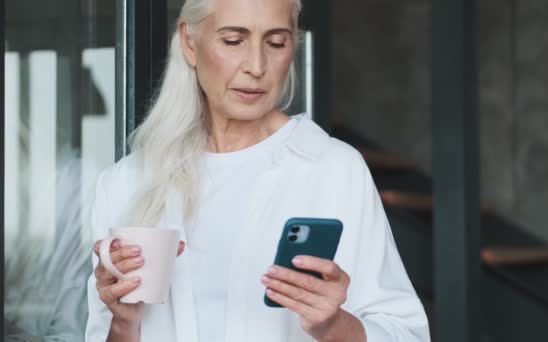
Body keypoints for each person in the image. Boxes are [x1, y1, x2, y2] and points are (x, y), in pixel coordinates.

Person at [85, 0, 430, 341]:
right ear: (190, 43)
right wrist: (123, 323)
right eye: (233, 41)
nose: (256, 65)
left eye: (276, 43)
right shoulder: (126, 183)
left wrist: (333, 326)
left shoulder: (334, 169)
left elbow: (407, 335)